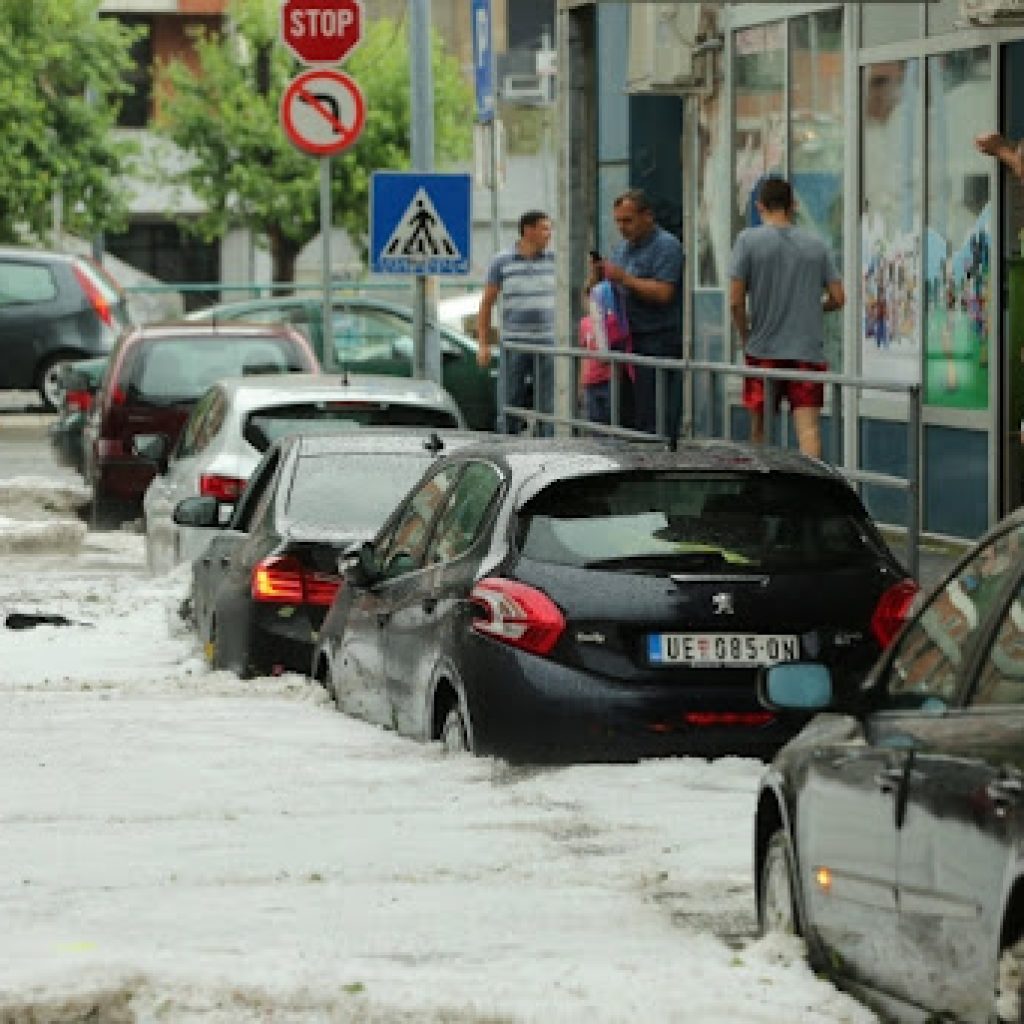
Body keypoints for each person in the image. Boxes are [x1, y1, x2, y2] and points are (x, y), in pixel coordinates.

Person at [728, 177, 845, 459]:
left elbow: (735, 301)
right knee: (809, 432)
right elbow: (839, 298)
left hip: (763, 351)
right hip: (806, 353)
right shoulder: (816, 244)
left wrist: (746, 336)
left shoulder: (747, 241)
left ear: (759, 206)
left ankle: (763, 491)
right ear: (793, 206)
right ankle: (811, 494)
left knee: (761, 432)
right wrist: (812, 308)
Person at [589, 189, 683, 438]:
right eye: (618, 221)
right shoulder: (622, 249)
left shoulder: (666, 246)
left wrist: (625, 279)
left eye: (628, 221)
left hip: (656, 340)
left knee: (653, 414)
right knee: (626, 414)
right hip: (625, 340)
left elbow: (664, 293)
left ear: (647, 216)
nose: (622, 227)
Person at [477, 210, 555, 434]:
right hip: (514, 344)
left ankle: (548, 449)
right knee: (509, 401)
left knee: (548, 406)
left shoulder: (555, 260)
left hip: (548, 343)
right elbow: (486, 304)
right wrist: (483, 344)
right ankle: (507, 445)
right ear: (528, 231)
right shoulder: (502, 261)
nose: (549, 235)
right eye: (544, 229)